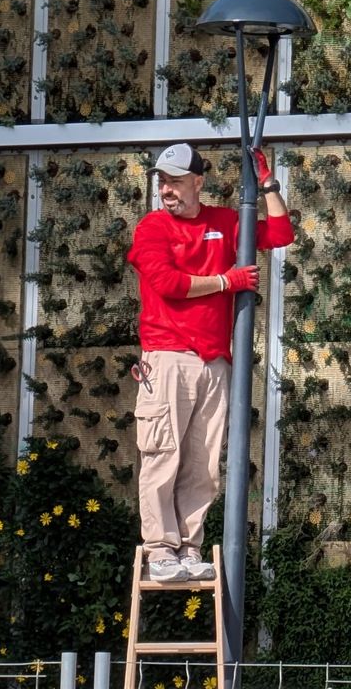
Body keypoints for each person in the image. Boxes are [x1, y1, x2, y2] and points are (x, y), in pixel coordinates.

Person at [126, 142, 296, 583]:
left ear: (198, 182)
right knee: (163, 455)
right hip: (166, 358)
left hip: (214, 362)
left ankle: (187, 548)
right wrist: (227, 281)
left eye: (176, 181)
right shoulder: (151, 228)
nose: (166, 190)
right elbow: (166, 283)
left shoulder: (224, 220)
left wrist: (268, 185)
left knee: (203, 463)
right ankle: (161, 550)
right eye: (162, 181)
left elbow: (280, 234)